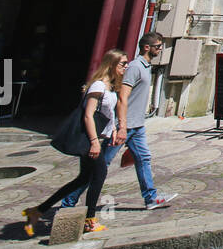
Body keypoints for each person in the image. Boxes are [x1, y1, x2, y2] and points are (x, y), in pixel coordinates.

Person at [58, 32, 176, 211]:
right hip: (126, 125)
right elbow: (123, 97)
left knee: (143, 158)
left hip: (137, 126)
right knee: (100, 166)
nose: (161, 49)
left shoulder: (145, 66)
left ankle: (150, 198)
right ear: (147, 47)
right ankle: (68, 202)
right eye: (158, 46)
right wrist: (121, 126)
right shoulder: (135, 67)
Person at [23, 49, 126, 236]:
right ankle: (89, 220)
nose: (126, 67)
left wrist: (112, 129)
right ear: (111, 65)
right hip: (90, 140)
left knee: (83, 179)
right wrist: (94, 142)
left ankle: (38, 210)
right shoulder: (98, 86)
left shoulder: (110, 86)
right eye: (122, 64)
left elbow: (105, 114)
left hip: (99, 139)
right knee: (99, 176)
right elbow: (88, 115)